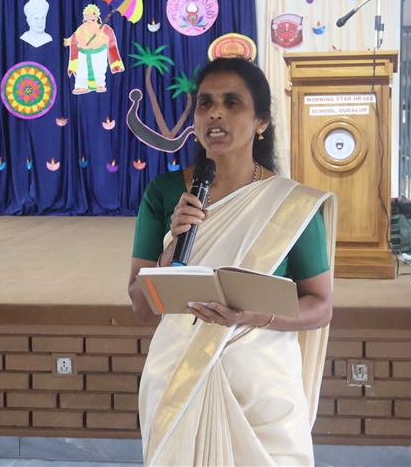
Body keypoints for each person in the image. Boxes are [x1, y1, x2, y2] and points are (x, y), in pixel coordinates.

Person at [127, 58, 337, 466]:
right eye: (205, 103)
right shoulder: (165, 193)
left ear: (261, 121)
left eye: (232, 102)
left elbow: (321, 306)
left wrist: (252, 316)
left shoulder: (291, 204)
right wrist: (172, 248)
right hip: (178, 376)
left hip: (262, 390)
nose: (215, 113)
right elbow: (140, 304)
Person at [63, 4, 124, 94]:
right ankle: (82, 86)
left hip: (99, 53)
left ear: (96, 16)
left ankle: (100, 84)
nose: (88, 17)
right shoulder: (82, 28)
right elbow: (75, 37)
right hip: (83, 53)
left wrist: (102, 37)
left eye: (91, 15)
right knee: (81, 70)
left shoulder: (104, 28)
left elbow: (110, 38)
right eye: (86, 15)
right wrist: (68, 41)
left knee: (99, 69)